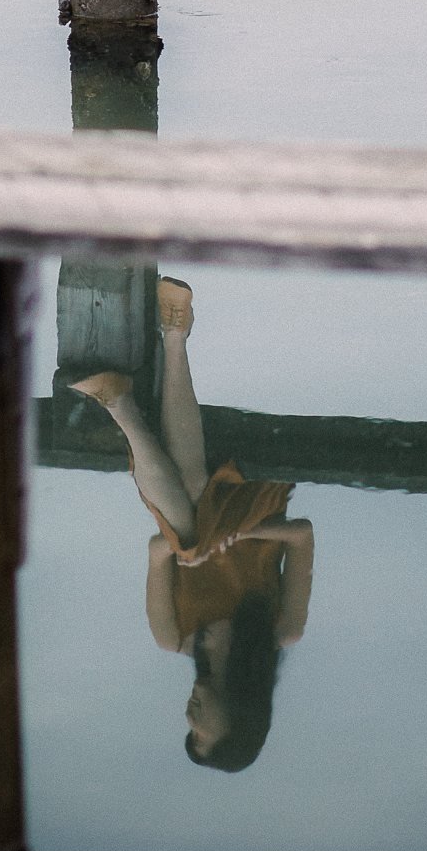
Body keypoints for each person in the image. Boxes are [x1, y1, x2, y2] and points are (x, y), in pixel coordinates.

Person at [71, 277, 315, 771]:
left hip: (182, 508)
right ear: (239, 719)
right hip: (253, 503)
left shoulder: (175, 635)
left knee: (185, 527)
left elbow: (155, 550)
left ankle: (170, 342)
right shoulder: (281, 631)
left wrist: (191, 550)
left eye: (188, 727)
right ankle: (131, 391)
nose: (190, 716)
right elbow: (302, 535)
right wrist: (235, 536)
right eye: (202, 728)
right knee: (192, 517)